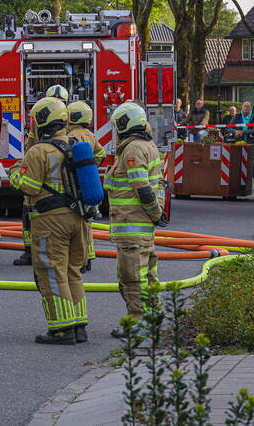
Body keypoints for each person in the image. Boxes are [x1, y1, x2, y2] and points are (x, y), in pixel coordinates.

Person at [9, 97, 89, 344]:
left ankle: (62, 330)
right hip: (78, 219)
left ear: (43, 121)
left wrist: (13, 174)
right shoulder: (75, 145)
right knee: (73, 271)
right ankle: (79, 326)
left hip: (50, 220)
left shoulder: (39, 151)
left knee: (52, 272)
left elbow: (29, 187)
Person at [104, 101, 164, 336]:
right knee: (148, 275)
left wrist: (155, 214)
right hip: (142, 228)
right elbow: (156, 185)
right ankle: (153, 318)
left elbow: (142, 187)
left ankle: (138, 323)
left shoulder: (132, 149)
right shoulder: (148, 146)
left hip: (131, 227)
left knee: (132, 277)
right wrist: (157, 214)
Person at [15, 83, 71, 265]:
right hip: (41, 165)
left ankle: (40, 253)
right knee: (28, 214)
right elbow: (31, 143)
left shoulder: (66, 120)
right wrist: (28, 163)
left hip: (55, 173)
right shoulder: (42, 119)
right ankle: (29, 251)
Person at [66, 101, 105, 271]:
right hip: (89, 181)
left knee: (77, 222)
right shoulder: (90, 135)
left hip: (75, 184)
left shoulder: (70, 135)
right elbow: (101, 153)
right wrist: (91, 166)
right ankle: (89, 256)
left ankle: (79, 259)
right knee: (87, 221)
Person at [239, 101, 254, 188]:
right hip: (239, 143)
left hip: (250, 144)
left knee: (253, 164)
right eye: (245, 106)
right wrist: (235, 132)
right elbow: (230, 128)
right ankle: (240, 184)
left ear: (250, 108)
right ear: (242, 107)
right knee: (238, 164)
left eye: (248, 106)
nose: (246, 108)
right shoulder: (238, 116)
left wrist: (242, 132)